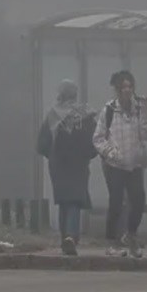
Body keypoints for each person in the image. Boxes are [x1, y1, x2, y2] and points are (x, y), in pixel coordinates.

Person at [92, 70, 147, 258]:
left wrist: (146, 111)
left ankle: (131, 235)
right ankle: (111, 242)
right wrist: (111, 152)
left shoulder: (139, 109)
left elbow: (146, 135)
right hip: (115, 165)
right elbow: (98, 138)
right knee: (116, 201)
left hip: (134, 164)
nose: (127, 90)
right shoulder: (109, 110)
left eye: (130, 86)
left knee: (139, 200)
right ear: (117, 90)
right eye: (123, 87)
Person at [37, 80, 98, 256]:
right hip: (78, 163)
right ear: (75, 94)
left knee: (64, 200)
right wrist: (86, 155)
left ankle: (66, 238)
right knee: (75, 200)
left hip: (58, 164)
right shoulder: (85, 114)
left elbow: (41, 144)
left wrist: (54, 155)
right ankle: (70, 237)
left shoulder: (53, 114)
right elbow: (94, 141)